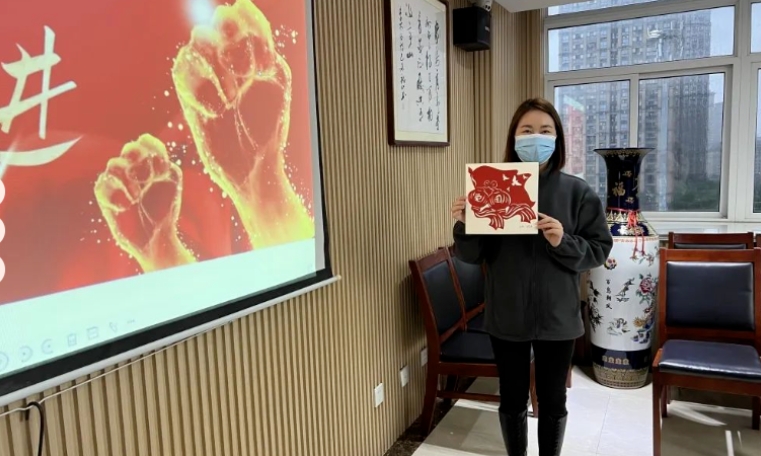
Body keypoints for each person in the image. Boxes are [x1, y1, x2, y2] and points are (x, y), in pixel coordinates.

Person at [449, 98, 613, 456]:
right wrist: (464, 225)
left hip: (558, 317)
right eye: (527, 130)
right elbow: (472, 255)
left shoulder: (577, 192)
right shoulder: (494, 188)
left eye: (545, 130)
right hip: (507, 314)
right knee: (512, 398)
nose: (535, 137)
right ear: (514, 138)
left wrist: (562, 240)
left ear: (557, 138)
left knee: (553, 400)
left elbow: (599, 250)